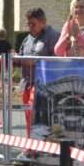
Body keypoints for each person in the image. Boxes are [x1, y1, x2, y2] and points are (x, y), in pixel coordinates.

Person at [17, 7, 59, 138]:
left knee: (38, 119)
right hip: (26, 84)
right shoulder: (27, 38)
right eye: (28, 24)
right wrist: (14, 58)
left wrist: (36, 61)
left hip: (43, 85)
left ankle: (39, 146)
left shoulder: (53, 36)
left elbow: (57, 60)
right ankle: (30, 145)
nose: (30, 27)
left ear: (43, 22)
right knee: (29, 117)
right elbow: (20, 56)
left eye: (33, 24)